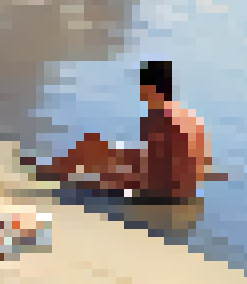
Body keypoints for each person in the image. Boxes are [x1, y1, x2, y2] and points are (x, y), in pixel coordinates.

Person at [26, 61, 216, 203]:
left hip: (165, 192)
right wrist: (114, 155)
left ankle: (52, 172)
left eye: (143, 86)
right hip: (191, 190)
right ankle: (54, 170)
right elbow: (167, 159)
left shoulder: (158, 118)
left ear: (150, 88)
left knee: (96, 161)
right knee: (96, 146)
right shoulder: (189, 116)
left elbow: (151, 167)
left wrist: (113, 168)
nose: (141, 92)